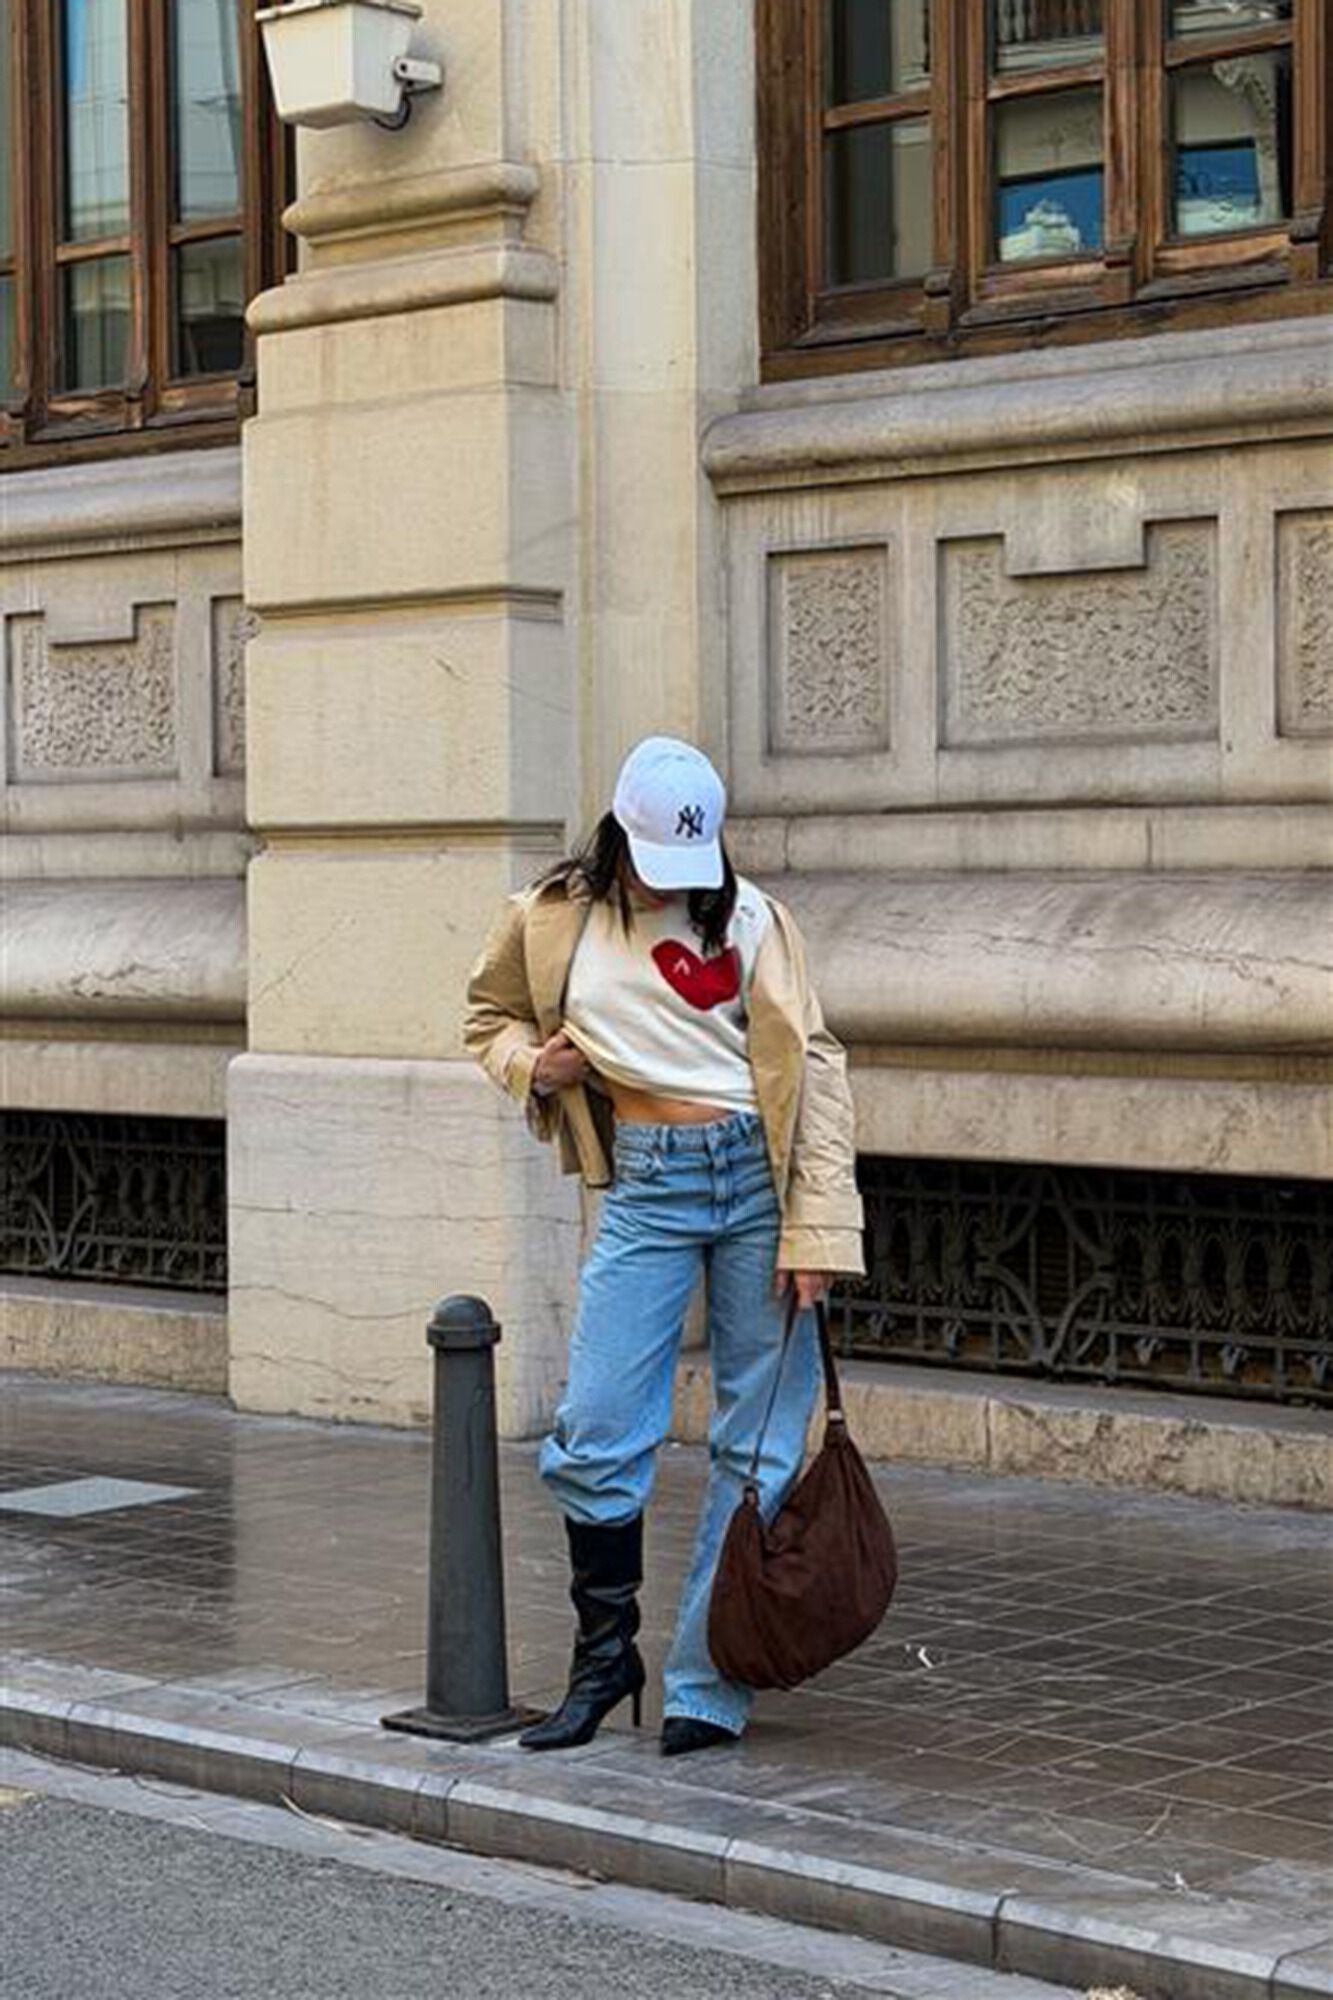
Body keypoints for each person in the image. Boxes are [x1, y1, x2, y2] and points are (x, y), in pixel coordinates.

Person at [462, 736, 864, 1756]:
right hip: (647, 1185)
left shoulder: (755, 918)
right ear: (617, 835)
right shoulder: (550, 919)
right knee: (597, 1427)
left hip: (758, 1183)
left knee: (757, 1442)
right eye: (652, 862)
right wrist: (535, 1066)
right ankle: (604, 1660)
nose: (670, 882)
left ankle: (708, 1676)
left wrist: (817, 1224)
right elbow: (486, 1016)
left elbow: (814, 1066)